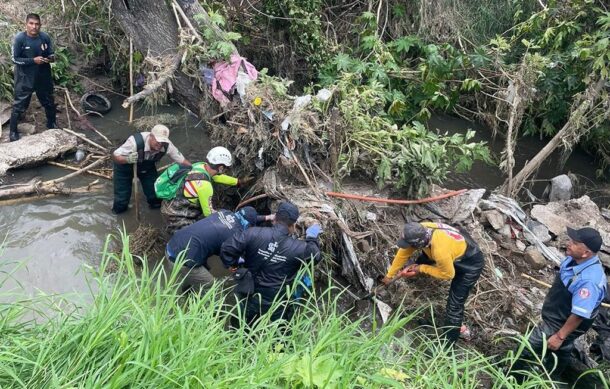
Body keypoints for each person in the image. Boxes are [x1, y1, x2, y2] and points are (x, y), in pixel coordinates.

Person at [511, 227, 606, 381]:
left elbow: (579, 314)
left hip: (562, 322)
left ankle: (512, 377)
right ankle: (552, 376)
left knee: (528, 346)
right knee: (560, 349)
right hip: (558, 314)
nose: (569, 244)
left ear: (586, 253)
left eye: (574, 243)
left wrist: (560, 336)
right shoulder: (574, 259)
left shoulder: (589, 282)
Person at [220, 201, 321, 328]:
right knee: (278, 334)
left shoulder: (252, 232)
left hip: (248, 291)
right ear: (293, 225)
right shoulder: (299, 247)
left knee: (241, 327)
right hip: (276, 299)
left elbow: (227, 248)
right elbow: (315, 256)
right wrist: (312, 238)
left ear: (275, 218)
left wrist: (234, 265)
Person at [382, 221, 484, 343]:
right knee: (423, 262)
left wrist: (421, 268)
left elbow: (448, 274)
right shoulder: (421, 229)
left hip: (470, 263)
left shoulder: (440, 252)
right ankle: (420, 281)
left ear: (418, 244)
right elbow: (403, 253)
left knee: (454, 307)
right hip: (452, 249)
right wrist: (389, 275)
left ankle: (448, 346)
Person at [166, 206, 274, 292]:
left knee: (200, 273)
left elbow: (247, 219)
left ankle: (186, 291)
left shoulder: (225, 213)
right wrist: (233, 266)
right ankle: (213, 315)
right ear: (248, 225)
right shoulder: (234, 235)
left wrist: (268, 217)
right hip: (182, 261)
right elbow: (226, 255)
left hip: (174, 246)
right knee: (210, 285)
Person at [161, 146, 250, 232]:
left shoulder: (201, 166)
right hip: (175, 216)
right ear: (221, 167)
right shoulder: (205, 186)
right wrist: (226, 215)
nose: (226, 170)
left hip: (167, 203)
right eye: (226, 167)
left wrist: (238, 181)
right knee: (192, 235)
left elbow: (217, 177)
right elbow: (208, 213)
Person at [112, 124, 191, 214]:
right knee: (122, 198)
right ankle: (119, 214)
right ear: (151, 136)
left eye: (163, 142)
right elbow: (115, 156)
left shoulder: (167, 146)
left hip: (146, 168)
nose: (160, 144)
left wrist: (194, 170)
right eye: (158, 141)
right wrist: (127, 159)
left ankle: (155, 211)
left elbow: (182, 161)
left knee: (155, 194)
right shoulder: (134, 142)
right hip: (125, 167)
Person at [9, 13, 57, 142]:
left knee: (49, 101)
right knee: (19, 104)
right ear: (26, 24)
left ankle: (52, 124)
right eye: (31, 23)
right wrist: (33, 60)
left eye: (37, 24)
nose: (34, 27)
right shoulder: (19, 39)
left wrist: (51, 57)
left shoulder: (44, 37)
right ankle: (13, 132)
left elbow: (51, 52)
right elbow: (15, 59)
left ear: (40, 25)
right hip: (25, 77)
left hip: (43, 75)